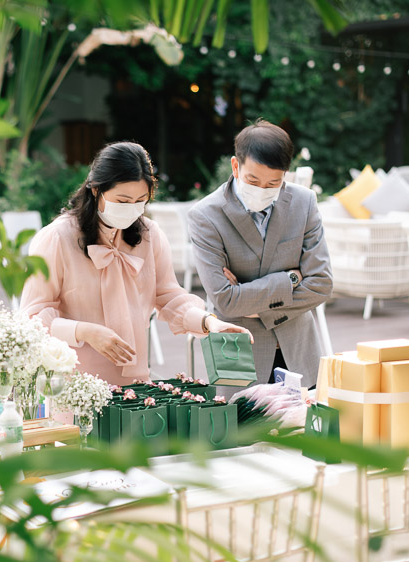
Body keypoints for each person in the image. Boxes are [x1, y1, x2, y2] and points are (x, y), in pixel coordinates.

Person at [19, 141, 249, 386]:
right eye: (122, 200)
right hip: (71, 383)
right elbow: (32, 318)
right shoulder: (56, 238)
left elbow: (169, 297)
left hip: (134, 383)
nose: (131, 209)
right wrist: (84, 331)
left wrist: (208, 322)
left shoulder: (149, 235)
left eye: (140, 201)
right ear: (96, 190)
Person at [188, 120, 332, 388]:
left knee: (305, 428)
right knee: (241, 429)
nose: (262, 190)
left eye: (273, 183)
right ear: (235, 166)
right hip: (240, 354)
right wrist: (290, 279)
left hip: (299, 353)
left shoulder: (304, 202)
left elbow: (322, 284)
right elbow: (225, 300)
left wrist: (252, 301)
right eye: (253, 180)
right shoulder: (206, 215)